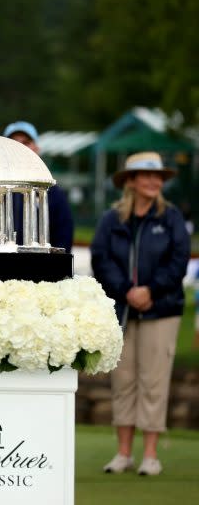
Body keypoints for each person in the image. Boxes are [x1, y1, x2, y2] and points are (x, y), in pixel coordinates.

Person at [91, 151, 190, 476]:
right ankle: (123, 454)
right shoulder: (111, 219)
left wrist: (150, 290)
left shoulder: (171, 218)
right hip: (121, 310)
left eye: (158, 176)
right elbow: (101, 259)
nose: (153, 182)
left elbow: (178, 261)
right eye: (146, 176)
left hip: (161, 311)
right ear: (130, 182)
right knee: (124, 381)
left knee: (154, 382)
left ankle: (150, 455)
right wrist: (126, 291)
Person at [0, 120, 74, 252]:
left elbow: (64, 239)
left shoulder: (51, 192)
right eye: (13, 143)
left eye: (26, 142)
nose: (20, 148)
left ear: (37, 149)